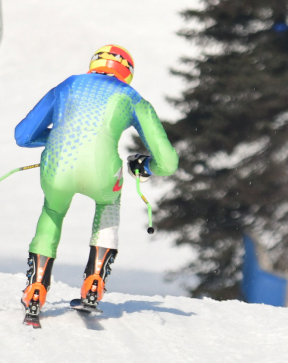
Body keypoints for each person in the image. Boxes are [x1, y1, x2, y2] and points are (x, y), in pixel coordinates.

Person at [13, 45, 178, 326]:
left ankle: (36, 288)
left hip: (57, 167)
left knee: (52, 211)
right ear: (127, 72)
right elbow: (169, 162)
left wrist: (63, 136)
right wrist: (145, 166)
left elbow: (23, 135)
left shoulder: (68, 85)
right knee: (108, 205)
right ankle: (94, 284)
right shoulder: (132, 97)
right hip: (102, 173)